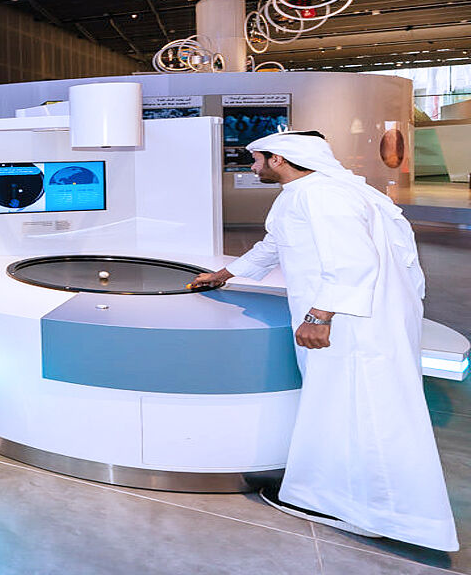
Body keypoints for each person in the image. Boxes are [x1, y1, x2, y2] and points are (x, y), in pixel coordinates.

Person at [189, 130, 458, 552]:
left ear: (279, 159)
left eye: (257, 159)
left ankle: (373, 512)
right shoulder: (309, 192)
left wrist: (319, 316)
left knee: (362, 412)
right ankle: (337, 498)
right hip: (356, 317)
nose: (253, 166)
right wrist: (225, 274)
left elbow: (353, 262)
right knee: (343, 409)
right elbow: (274, 245)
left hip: (352, 323)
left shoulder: (322, 196)